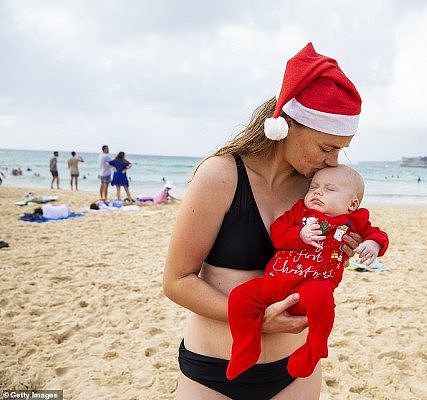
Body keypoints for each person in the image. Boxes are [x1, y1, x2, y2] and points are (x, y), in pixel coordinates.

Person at [163, 43, 365, 400]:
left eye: (340, 149)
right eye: (326, 146)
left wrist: (344, 248)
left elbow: (319, 268)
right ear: (286, 124)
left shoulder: (318, 188)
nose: (333, 161)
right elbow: (177, 281)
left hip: (294, 374)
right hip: (213, 373)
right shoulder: (221, 177)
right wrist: (254, 319)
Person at [226, 165, 388, 380]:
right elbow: (277, 232)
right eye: (313, 187)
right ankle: (246, 347)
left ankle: (315, 347)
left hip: (312, 286)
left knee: (322, 298)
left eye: (329, 189)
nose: (318, 192)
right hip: (276, 280)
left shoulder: (354, 221)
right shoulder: (299, 212)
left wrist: (373, 244)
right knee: (240, 296)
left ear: (352, 204)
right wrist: (298, 234)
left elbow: (378, 234)